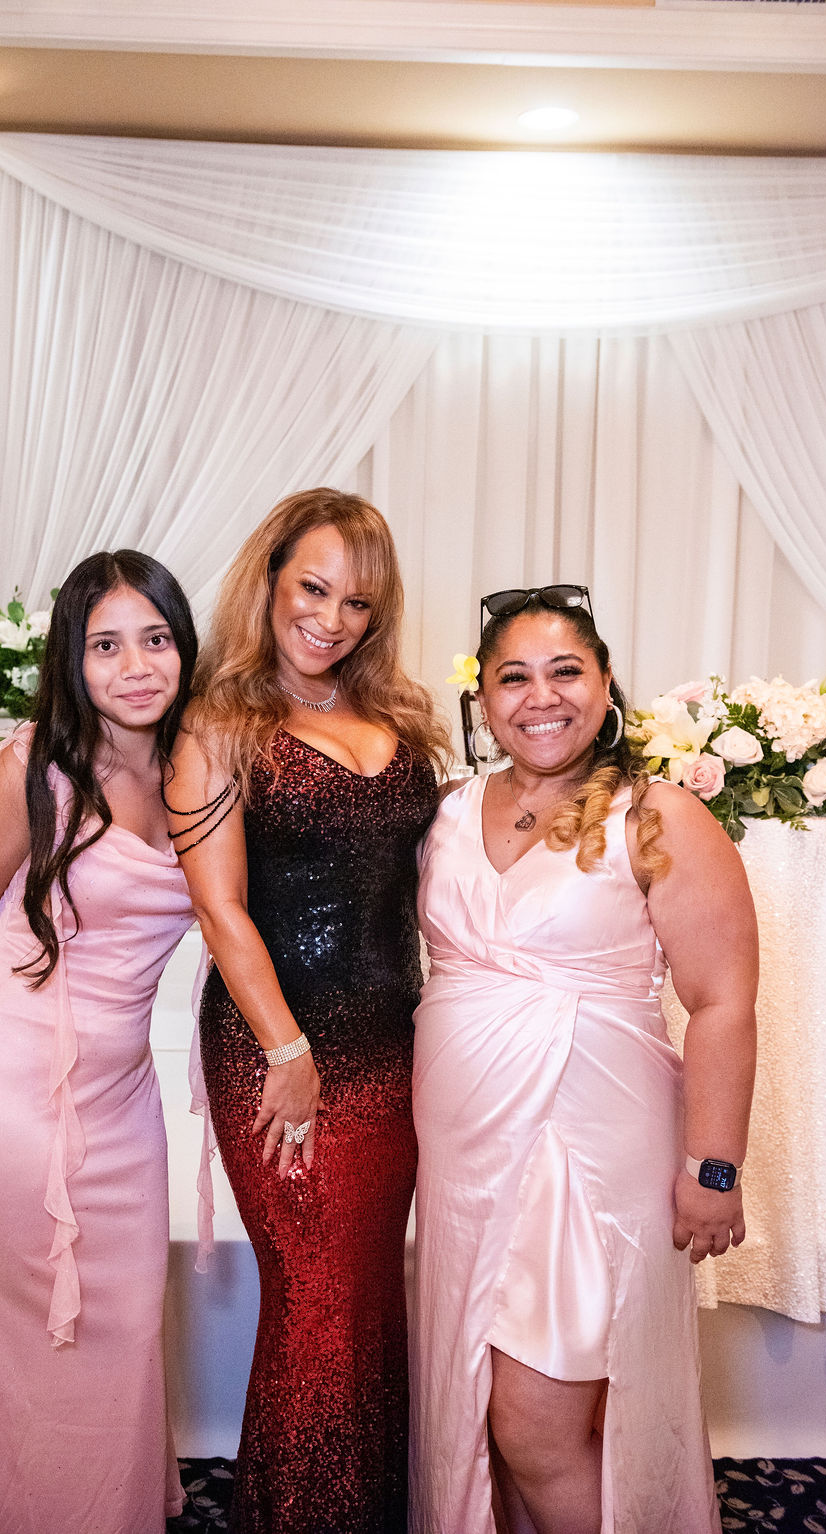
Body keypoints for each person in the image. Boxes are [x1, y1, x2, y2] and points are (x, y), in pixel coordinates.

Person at [410, 585, 757, 1534]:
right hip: (464, 1163)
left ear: (605, 686)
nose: (541, 696)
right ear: (482, 700)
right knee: (482, 1406)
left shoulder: (659, 817)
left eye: (565, 671)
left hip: (583, 1161)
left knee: (536, 1428)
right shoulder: (446, 812)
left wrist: (714, 1169)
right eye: (513, 677)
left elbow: (723, 1004)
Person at [0, 550, 198, 1534]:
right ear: (72, 658)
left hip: (120, 1115)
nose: (136, 666)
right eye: (106, 645)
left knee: (120, 1338)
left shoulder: (199, 772)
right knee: (5, 1358)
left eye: (156, 639)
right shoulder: (34, 767)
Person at [167, 488, 450, 1534]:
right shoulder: (218, 723)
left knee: (368, 1298)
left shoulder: (400, 719)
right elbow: (220, 908)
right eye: (314, 588)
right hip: (276, 1045)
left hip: (394, 1045)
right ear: (271, 580)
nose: (331, 619)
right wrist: (288, 1049)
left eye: (357, 602)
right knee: (317, 1307)